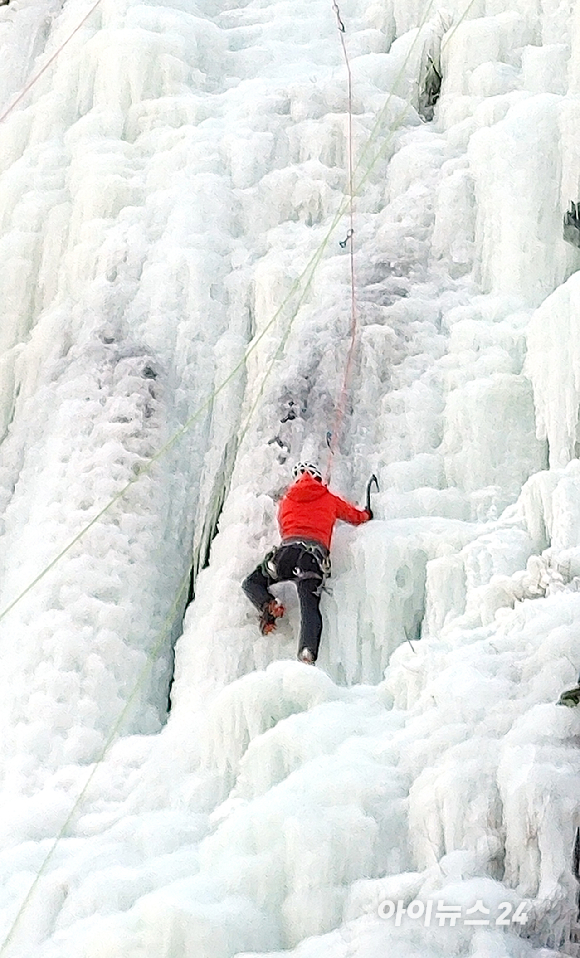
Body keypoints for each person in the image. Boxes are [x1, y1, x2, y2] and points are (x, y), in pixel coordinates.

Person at [242, 461, 372, 664]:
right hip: (312, 558)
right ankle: (307, 653)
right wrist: (367, 514)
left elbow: (284, 528)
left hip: (286, 554)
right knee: (309, 607)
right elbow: (355, 516)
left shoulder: (286, 501)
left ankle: (268, 603)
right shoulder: (328, 497)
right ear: (319, 479)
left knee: (251, 582)